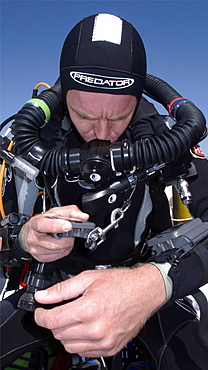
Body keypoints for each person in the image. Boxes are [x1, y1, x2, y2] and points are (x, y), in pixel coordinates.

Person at [1, 13, 208, 369]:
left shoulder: (168, 147)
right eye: (84, 114)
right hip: (47, 287)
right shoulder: (27, 146)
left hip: (149, 287)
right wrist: (23, 238)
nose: (101, 132)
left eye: (117, 118)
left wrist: (154, 283)